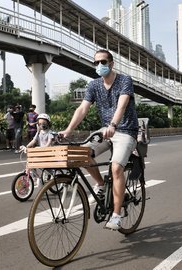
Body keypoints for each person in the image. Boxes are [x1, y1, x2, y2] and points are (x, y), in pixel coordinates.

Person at [59, 49, 138, 230]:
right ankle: (101, 184)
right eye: (96, 63)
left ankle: (116, 215)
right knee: (81, 155)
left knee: (116, 167)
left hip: (125, 131)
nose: (99, 66)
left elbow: (122, 105)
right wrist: (69, 130)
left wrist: (113, 125)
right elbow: (82, 109)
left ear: (111, 63)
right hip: (105, 131)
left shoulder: (124, 81)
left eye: (103, 62)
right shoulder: (94, 85)